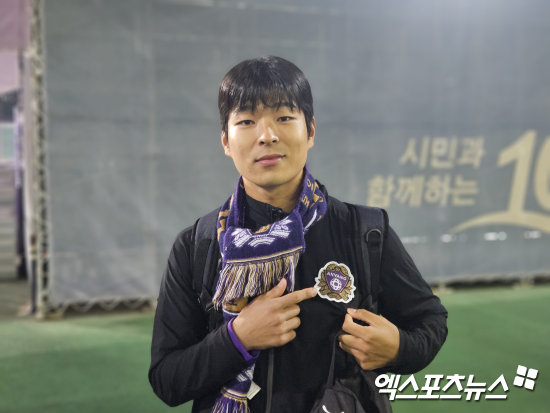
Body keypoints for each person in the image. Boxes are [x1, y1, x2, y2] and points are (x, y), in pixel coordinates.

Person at [148, 56, 448, 413]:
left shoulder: (365, 232)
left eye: (284, 117)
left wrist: (399, 348)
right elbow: (167, 379)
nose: (267, 135)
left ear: (311, 131)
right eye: (246, 121)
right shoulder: (198, 245)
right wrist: (237, 338)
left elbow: (430, 321)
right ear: (226, 140)